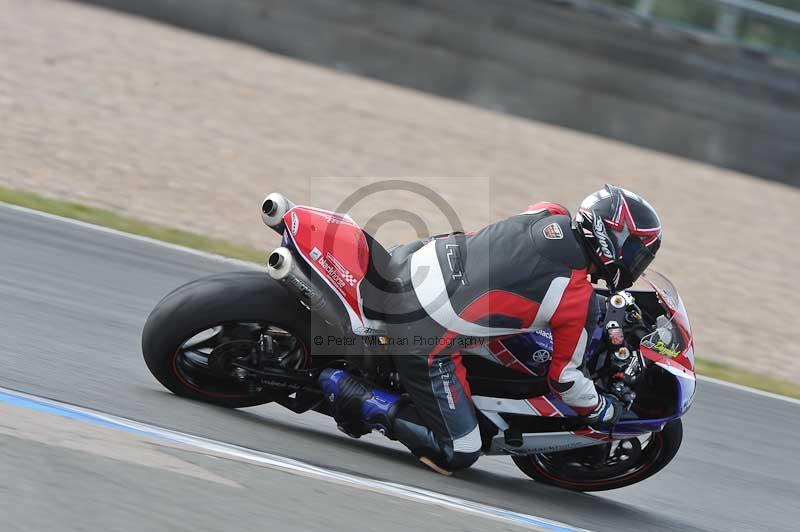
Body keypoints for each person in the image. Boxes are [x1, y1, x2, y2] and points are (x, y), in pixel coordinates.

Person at [319, 184, 663, 474]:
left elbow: (521, 269)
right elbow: (564, 379)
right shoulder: (575, 298)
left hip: (413, 260)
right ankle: (355, 395)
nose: (635, 262)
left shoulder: (547, 213)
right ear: (610, 237)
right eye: (634, 250)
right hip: (419, 333)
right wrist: (603, 410)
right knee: (460, 451)